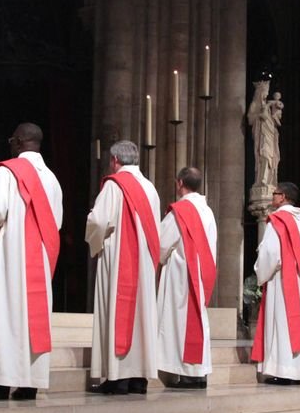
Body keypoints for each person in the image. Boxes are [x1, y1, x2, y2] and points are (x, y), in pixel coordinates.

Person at [0, 123, 63, 401]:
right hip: (40, 257)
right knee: (30, 319)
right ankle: (28, 384)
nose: (10, 144)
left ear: (20, 141)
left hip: (12, 252)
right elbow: (56, 221)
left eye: (12, 139)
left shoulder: (8, 172)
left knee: (6, 314)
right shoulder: (53, 179)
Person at [86, 140, 160, 395]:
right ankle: (139, 378)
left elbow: (98, 221)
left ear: (115, 161)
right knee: (143, 316)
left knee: (117, 311)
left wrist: (93, 240)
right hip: (144, 263)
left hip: (119, 260)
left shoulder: (114, 186)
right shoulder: (151, 189)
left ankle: (117, 378)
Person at [156, 167, 217, 390]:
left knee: (179, 320)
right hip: (200, 273)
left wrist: (161, 259)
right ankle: (198, 374)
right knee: (196, 321)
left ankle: (188, 373)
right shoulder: (208, 211)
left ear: (179, 182)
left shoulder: (180, 211)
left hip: (181, 274)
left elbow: (161, 243)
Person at [252, 182, 300, 385]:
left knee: (280, 324)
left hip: (280, 280)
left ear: (283, 197)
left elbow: (270, 253)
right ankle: (294, 372)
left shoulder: (277, 221)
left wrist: (261, 273)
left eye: (275, 193)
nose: (272, 197)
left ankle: (282, 371)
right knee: (291, 326)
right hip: (295, 279)